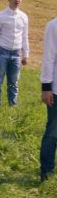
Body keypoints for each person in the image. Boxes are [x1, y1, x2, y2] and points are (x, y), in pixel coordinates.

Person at [0, 0, 29, 106]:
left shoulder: (24, 17)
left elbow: (25, 36)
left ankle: (13, 104)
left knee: (14, 81)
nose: (17, 0)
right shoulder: (0, 16)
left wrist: (26, 54)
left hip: (16, 53)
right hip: (1, 52)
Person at [39, 18, 57, 182]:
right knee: (53, 132)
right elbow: (48, 58)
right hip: (56, 90)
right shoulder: (53, 26)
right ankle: (47, 172)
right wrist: (46, 87)